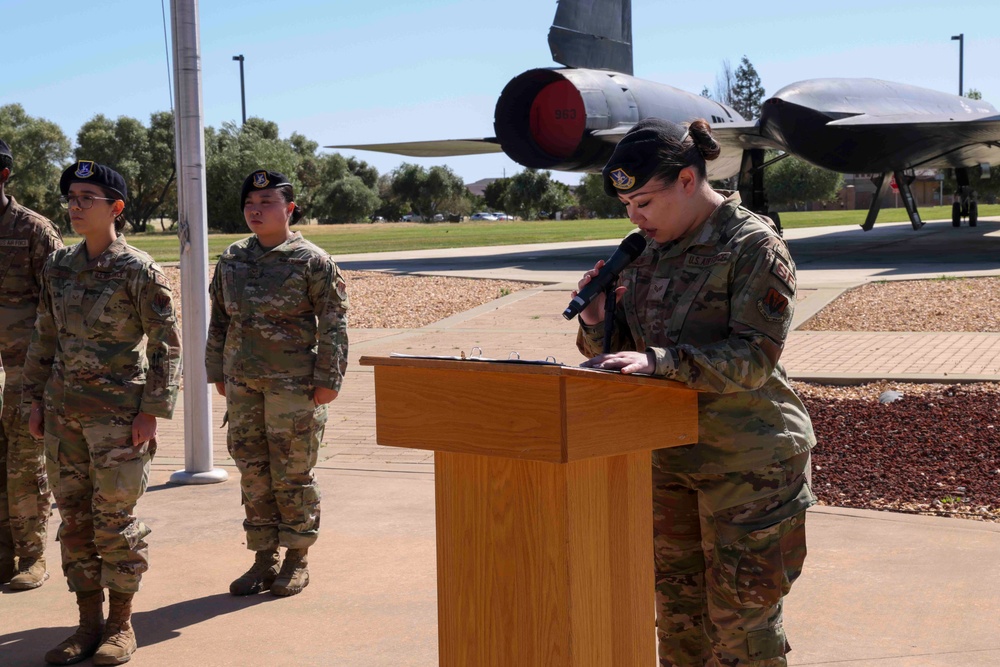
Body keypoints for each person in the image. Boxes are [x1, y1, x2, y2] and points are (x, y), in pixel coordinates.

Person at [574, 118, 816, 667]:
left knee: (741, 630)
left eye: (645, 202)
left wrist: (660, 362)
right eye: (627, 207)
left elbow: (754, 358)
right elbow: (626, 354)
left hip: (748, 466)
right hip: (669, 460)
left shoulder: (752, 245)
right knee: (680, 624)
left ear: (687, 179)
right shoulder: (644, 251)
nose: (635, 217)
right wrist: (595, 319)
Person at [22, 160, 182, 665]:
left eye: (87, 197)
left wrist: (152, 412)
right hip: (64, 414)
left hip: (118, 419)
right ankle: (86, 623)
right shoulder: (58, 266)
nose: (75, 205)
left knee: (114, 520)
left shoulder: (139, 270)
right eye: (71, 197)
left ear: (115, 208)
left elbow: (167, 347)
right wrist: (34, 400)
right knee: (73, 521)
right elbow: (44, 336)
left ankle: (121, 624)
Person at [207, 170, 348, 598]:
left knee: (292, 473)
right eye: (251, 201)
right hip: (243, 383)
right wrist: (216, 371)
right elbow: (220, 319)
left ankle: (297, 558)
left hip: (295, 388)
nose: (256, 208)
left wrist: (329, 380)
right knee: (253, 472)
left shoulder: (312, 261)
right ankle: (263, 557)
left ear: (289, 209)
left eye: (267, 201)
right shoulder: (232, 258)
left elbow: (334, 325)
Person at [0, 138, 64, 590]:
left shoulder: (34, 231)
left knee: (24, 461)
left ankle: (31, 555)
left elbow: (59, 305)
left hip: (25, 369)